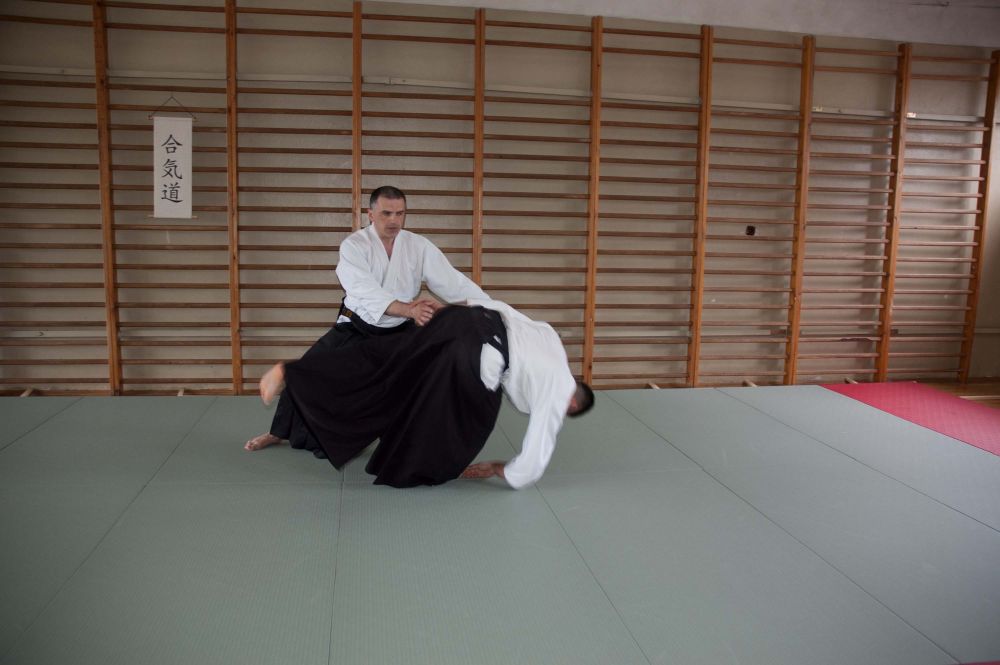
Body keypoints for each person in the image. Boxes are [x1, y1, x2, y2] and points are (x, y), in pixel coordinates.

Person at [244, 185, 489, 453]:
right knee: (311, 369)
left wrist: (489, 307)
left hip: (398, 330)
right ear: (370, 214)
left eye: (400, 213)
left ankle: (400, 439)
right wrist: (409, 310)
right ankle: (277, 431)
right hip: (357, 325)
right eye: (386, 213)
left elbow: (452, 281)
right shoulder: (354, 246)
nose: (394, 220)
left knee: (409, 383)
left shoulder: (418, 246)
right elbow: (364, 289)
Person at [252, 300, 595, 489]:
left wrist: (455, 308)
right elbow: (536, 454)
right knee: (465, 420)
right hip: (475, 352)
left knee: (384, 362)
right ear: (572, 403)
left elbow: (505, 311)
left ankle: (293, 372)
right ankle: (403, 465)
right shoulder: (559, 392)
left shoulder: (551, 339)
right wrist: (501, 469)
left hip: (466, 318)